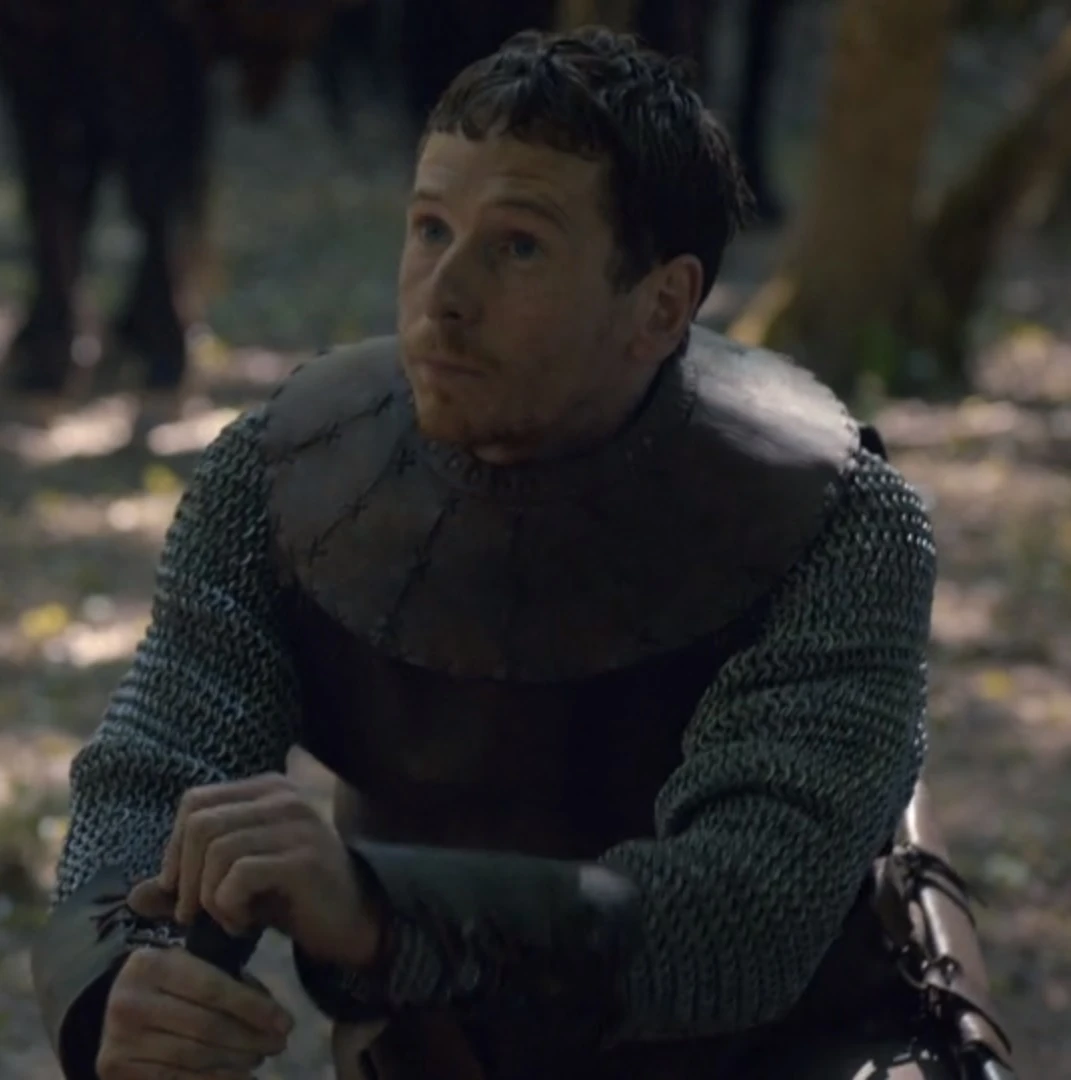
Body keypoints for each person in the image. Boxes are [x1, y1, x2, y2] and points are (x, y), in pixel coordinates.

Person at [31, 26, 1012, 1080]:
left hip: (799, 1054)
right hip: (449, 1048)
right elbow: (152, 773)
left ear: (662, 305)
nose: (444, 295)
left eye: (519, 247)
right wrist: (123, 977)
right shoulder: (280, 477)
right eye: (430, 228)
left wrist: (377, 909)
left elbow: (742, 920)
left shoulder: (831, 514)